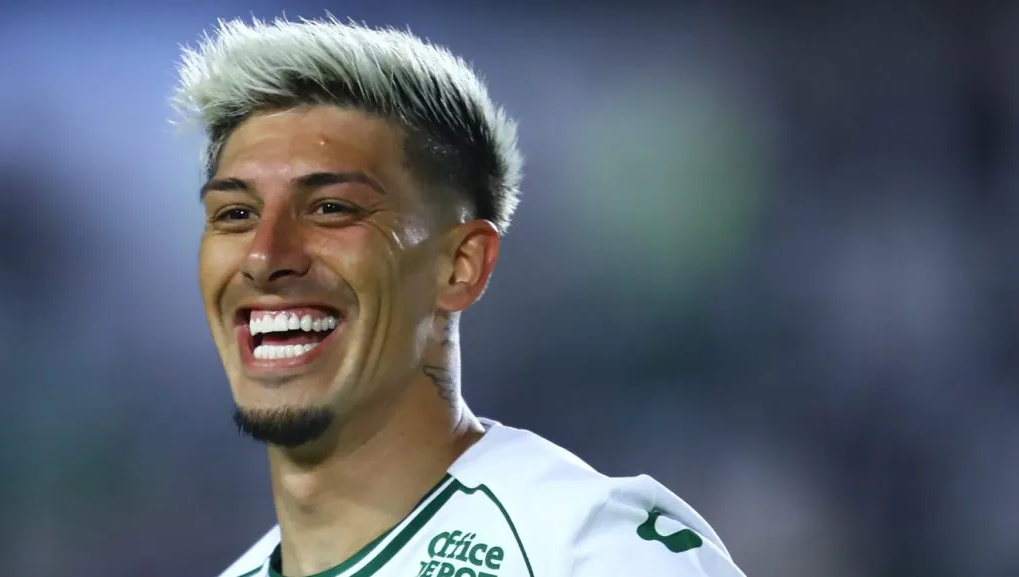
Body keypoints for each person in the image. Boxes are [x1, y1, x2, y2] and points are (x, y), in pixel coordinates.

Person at [174, 16, 747, 577]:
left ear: (461, 266)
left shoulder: (592, 551)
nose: (265, 256)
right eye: (235, 214)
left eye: (332, 208)